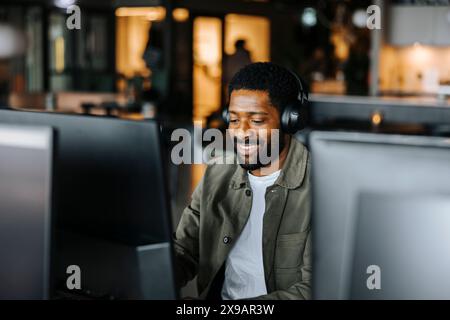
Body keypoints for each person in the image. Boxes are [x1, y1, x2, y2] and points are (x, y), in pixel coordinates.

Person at [173, 62, 311, 300]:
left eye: (257, 121)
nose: (240, 132)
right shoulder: (217, 173)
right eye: (234, 120)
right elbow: (184, 249)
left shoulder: (319, 188)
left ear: (290, 121)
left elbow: (313, 290)